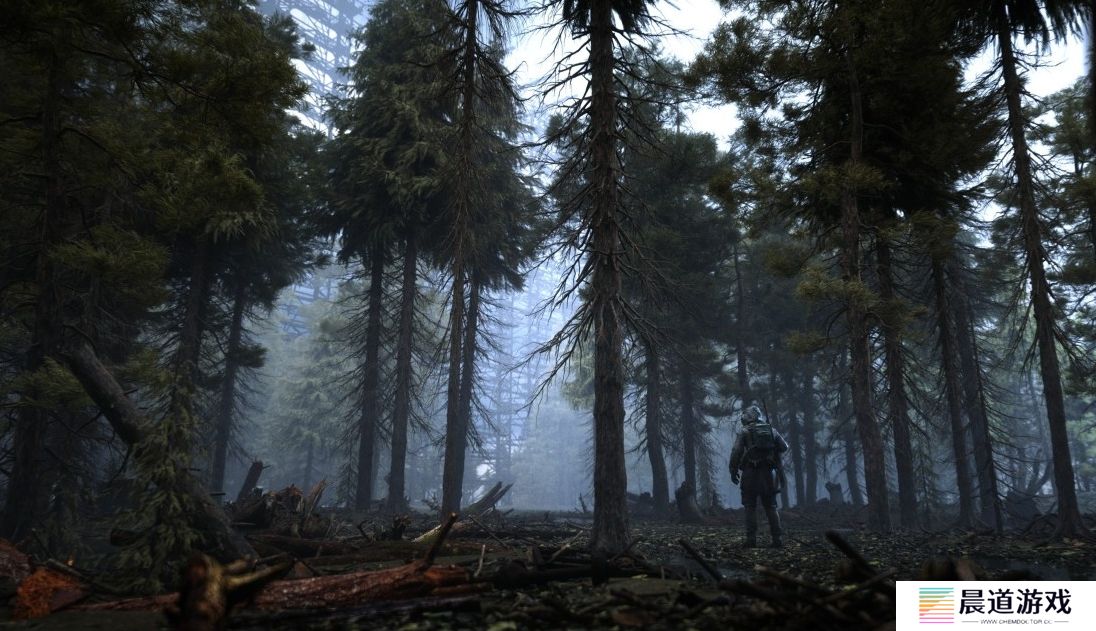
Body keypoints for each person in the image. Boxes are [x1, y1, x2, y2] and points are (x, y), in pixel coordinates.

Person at [729, 405, 789, 548]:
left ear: (747, 417)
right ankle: (777, 539)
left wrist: (733, 470)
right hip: (769, 474)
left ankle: (751, 540)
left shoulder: (744, 432)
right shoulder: (771, 430)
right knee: (771, 507)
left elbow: (736, 452)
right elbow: (784, 447)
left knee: (750, 506)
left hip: (750, 474)